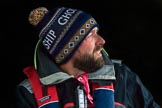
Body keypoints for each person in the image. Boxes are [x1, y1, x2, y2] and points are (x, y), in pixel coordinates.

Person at [16, 6, 160, 108]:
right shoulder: (29, 93)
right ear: (67, 48)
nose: (101, 41)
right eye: (90, 34)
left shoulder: (122, 76)